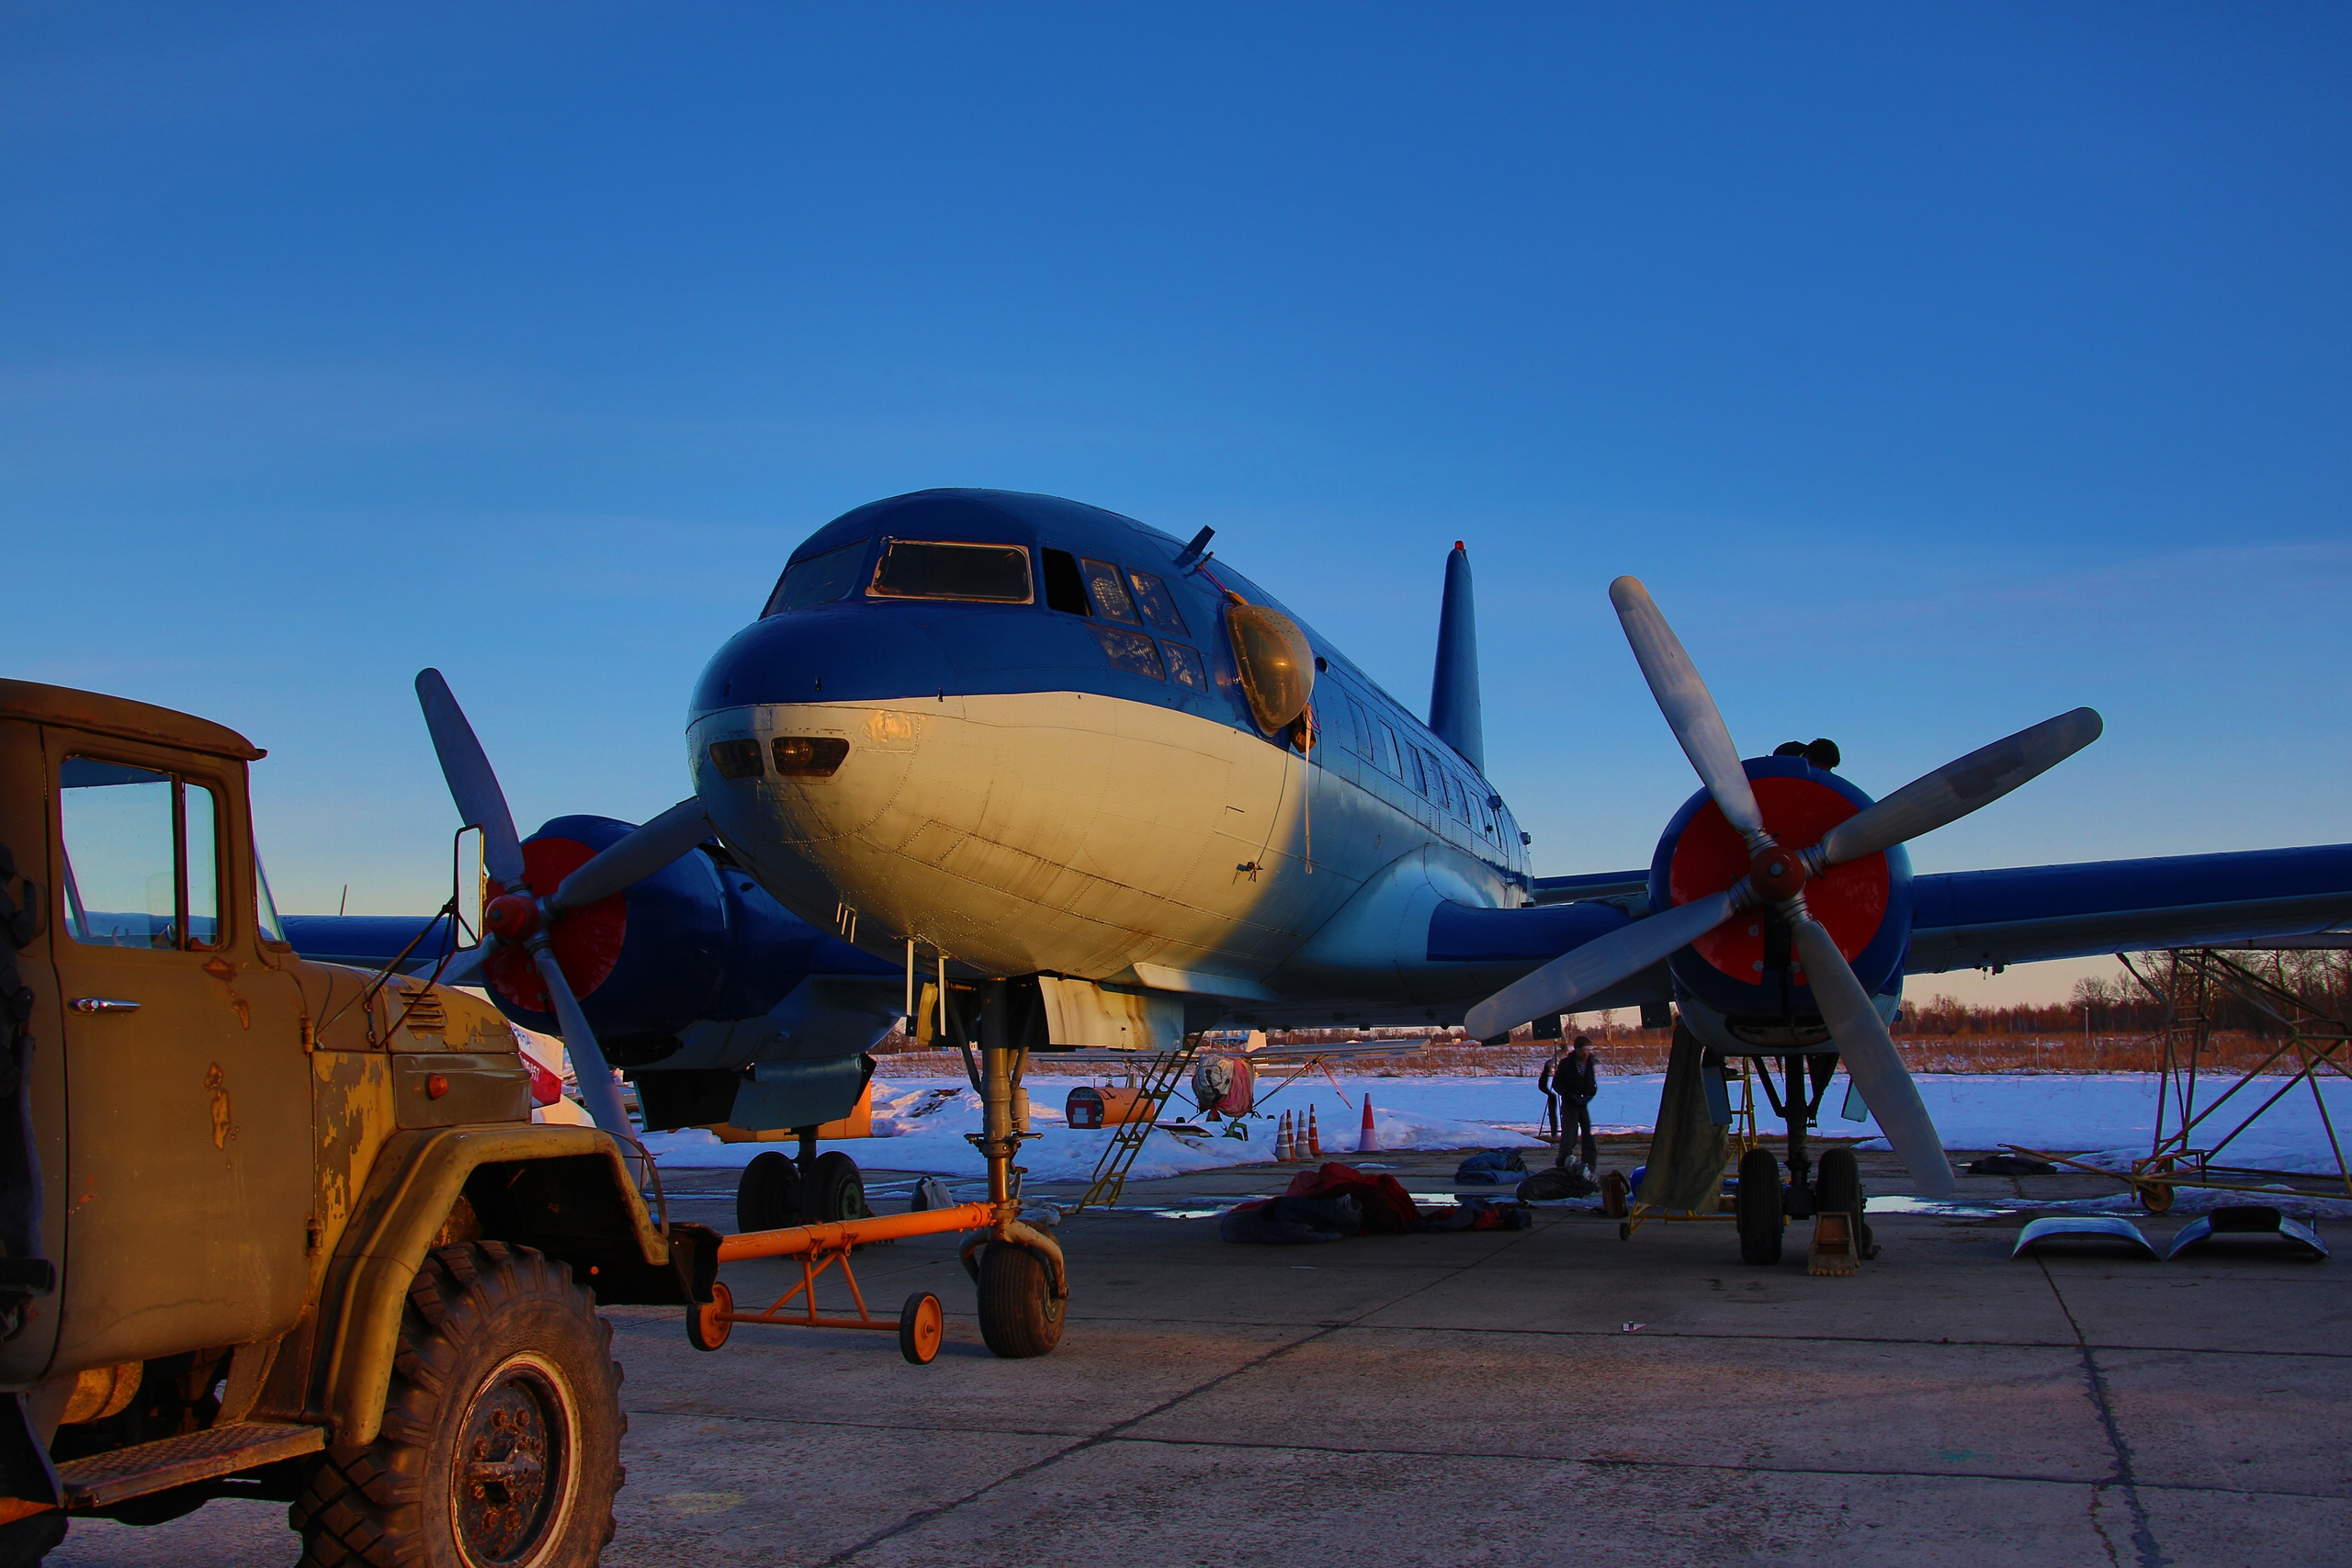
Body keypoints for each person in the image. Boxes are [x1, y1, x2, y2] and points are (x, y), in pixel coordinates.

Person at [1554, 1035, 1600, 1174]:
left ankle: (1589, 1167)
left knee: (1589, 1137)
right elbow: (1557, 1084)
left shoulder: (1590, 1063)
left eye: (1588, 1049)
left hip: (1584, 1104)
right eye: (1582, 1050)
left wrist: (1590, 1094)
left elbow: (1591, 1083)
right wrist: (1569, 1095)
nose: (1585, 1053)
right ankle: (1563, 1166)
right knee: (1569, 1137)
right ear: (1576, 1050)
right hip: (1570, 1104)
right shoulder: (1566, 1064)